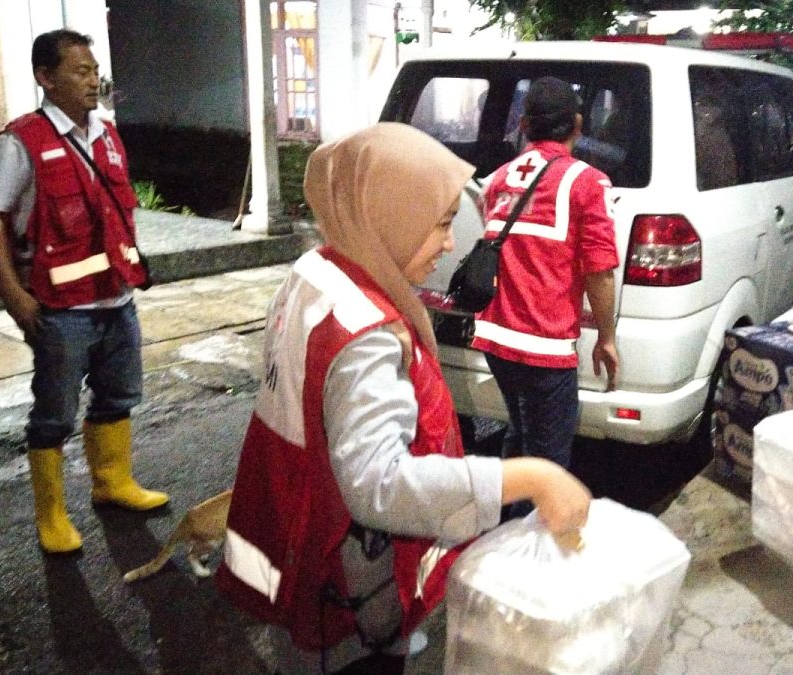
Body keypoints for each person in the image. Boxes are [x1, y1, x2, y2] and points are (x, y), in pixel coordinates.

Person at [216, 123, 592, 675]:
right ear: (386, 217)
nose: (448, 242)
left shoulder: (317, 272)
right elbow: (379, 485)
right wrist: (533, 477)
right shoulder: (367, 334)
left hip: (311, 547)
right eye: (439, 224)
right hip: (347, 596)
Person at [0, 30, 167, 554]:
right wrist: (13, 295)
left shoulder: (105, 134)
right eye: (80, 71)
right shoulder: (19, 144)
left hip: (116, 299)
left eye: (93, 69)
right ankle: (52, 514)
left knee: (119, 395)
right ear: (45, 77)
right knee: (54, 412)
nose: (92, 80)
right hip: (60, 310)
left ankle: (112, 483)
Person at [471, 77, 620, 507]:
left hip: (495, 337)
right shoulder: (587, 182)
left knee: (520, 434)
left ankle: (501, 535)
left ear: (524, 123)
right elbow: (600, 270)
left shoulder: (498, 178)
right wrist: (607, 338)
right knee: (549, 465)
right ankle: (524, 553)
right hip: (543, 345)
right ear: (577, 124)